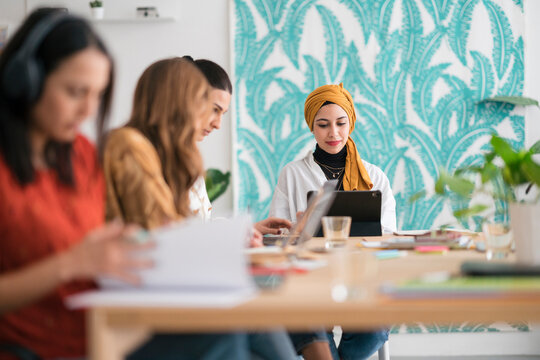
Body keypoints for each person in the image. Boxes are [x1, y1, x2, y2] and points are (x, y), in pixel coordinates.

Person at [0, 8, 248, 360]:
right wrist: (71, 263)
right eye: (74, 91)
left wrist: (129, 241)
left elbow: (99, 238)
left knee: (225, 333)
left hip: (103, 330)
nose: (88, 110)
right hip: (35, 348)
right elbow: (77, 258)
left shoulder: (82, 155)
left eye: (97, 95)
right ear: (25, 81)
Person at [104, 57, 297, 360]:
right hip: (153, 300)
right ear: (177, 100)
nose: (214, 121)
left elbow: (184, 229)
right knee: (253, 323)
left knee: (262, 321)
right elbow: (164, 234)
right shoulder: (130, 146)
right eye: (206, 106)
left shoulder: (174, 156)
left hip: (174, 289)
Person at [269, 83, 395, 359]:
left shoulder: (376, 177)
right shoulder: (291, 174)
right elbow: (276, 235)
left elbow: (387, 235)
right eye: (323, 125)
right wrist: (296, 230)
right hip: (308, 281)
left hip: (361, 279)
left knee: (373, 329)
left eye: (341, 123)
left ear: (351, 123)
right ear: (312, 127)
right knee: (310, 327)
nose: (333, 133)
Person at [185, 56, 293, 236]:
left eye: (223, 114)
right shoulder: (153, 157)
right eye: (214, 109)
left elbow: (202, 224)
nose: (218, 124)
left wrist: (249, 229)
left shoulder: (189, 157)